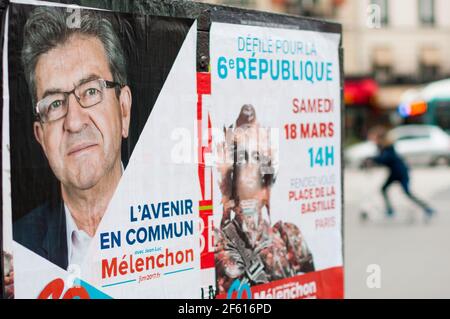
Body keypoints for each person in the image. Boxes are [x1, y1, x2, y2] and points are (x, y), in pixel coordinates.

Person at [13, 7, 132, 270]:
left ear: (123, 110)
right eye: (55, 104)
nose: (74, 122)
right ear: (41, 137)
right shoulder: (16, 246)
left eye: (90, 90)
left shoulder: (181, 219)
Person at [366, 126, 435, 221]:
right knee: (383, 189)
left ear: (379, 138)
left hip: (401, 172)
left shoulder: (388, 147)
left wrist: (373, 159)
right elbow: (381, 159)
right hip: (394, 173)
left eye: (374, 137)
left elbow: (385, 159)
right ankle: (390, 210)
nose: (372, 139)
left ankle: (427, 208)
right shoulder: (381, 147)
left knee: (407, 193)